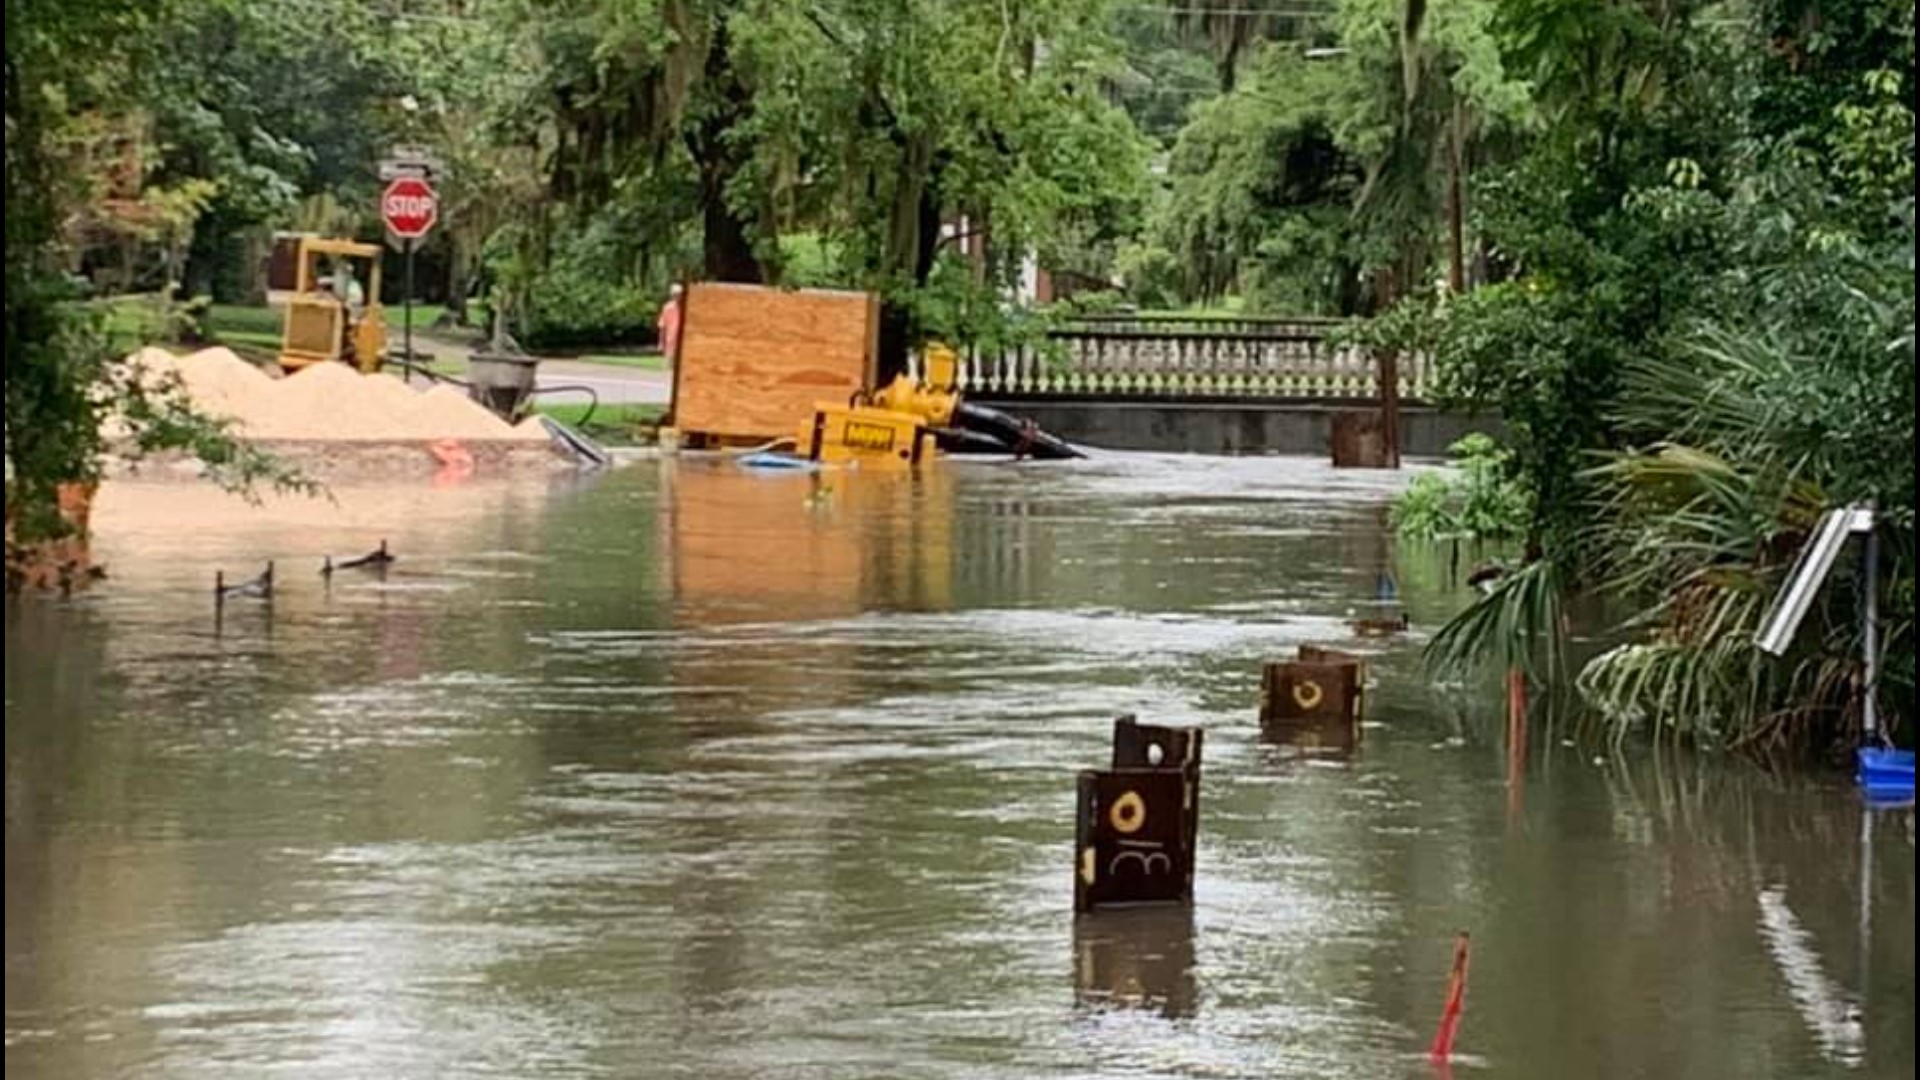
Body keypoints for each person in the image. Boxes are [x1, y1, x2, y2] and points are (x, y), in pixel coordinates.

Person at [657, 283, 685, 363]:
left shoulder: (686, 307)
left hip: (684, 343)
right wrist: (661, 342)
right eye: (675, 294)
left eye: (679, 294)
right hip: (671, 342)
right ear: (672, 295)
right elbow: (662, 326)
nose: (678, 297)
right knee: (669, 367)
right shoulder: (667, 308)